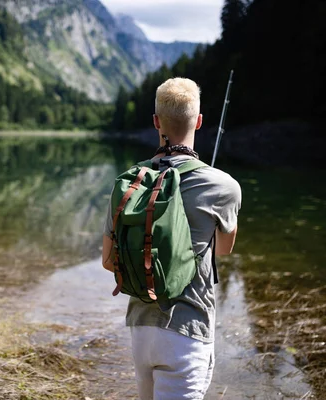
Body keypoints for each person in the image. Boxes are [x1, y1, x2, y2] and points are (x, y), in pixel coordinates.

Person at [102, 77, 242, 399]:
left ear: (155, 122)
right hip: (187, 333)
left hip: (140, 330)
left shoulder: (129, 184)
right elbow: (223, 250)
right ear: (200, 121)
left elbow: (109, 261)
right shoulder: (224, 186)